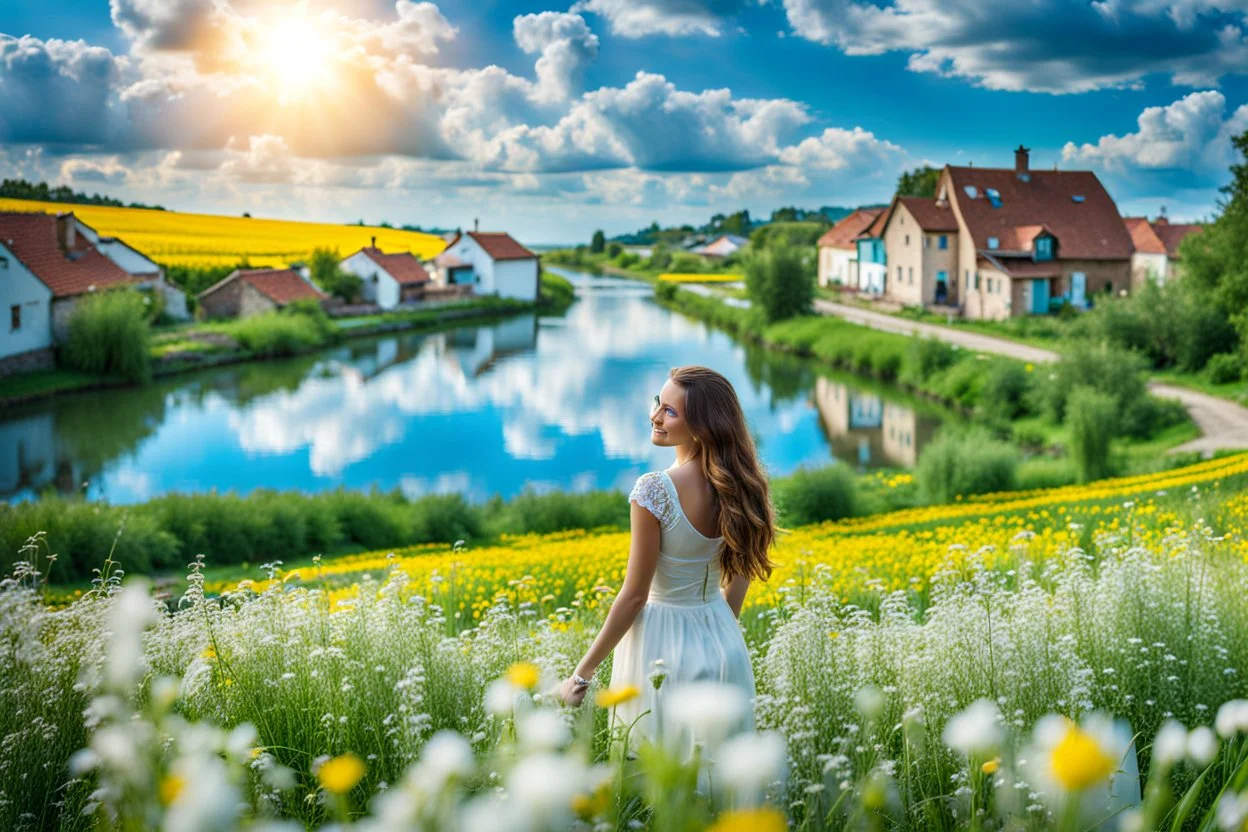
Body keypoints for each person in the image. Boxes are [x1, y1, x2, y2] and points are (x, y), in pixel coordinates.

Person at [555, 365, 778, 756]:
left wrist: (580, 675)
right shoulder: (743, 487)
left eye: (670, 412)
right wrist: (715, 638)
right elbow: (736, 589)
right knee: (719, 775)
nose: (655, 416)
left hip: (659, 647)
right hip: (724, 641)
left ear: (703, 426)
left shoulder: (654, 489)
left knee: (657, 778)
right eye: (659, 403)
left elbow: (635, 596)